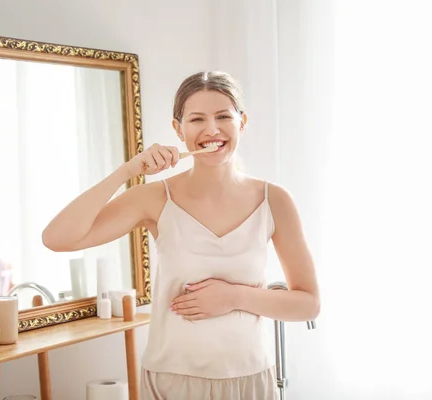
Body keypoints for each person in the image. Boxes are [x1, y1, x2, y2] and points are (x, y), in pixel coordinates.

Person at [42, 71, 320, 399]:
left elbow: (308, 304)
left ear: (242, 122)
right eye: (196, 119)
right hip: (172, 381)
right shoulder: (155, 198)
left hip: (251, 379)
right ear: (179, 129)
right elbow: (58, 238)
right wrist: (126, 172)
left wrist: (235, 297)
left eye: (223, 117)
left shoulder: (274, 199)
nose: (211, 130)